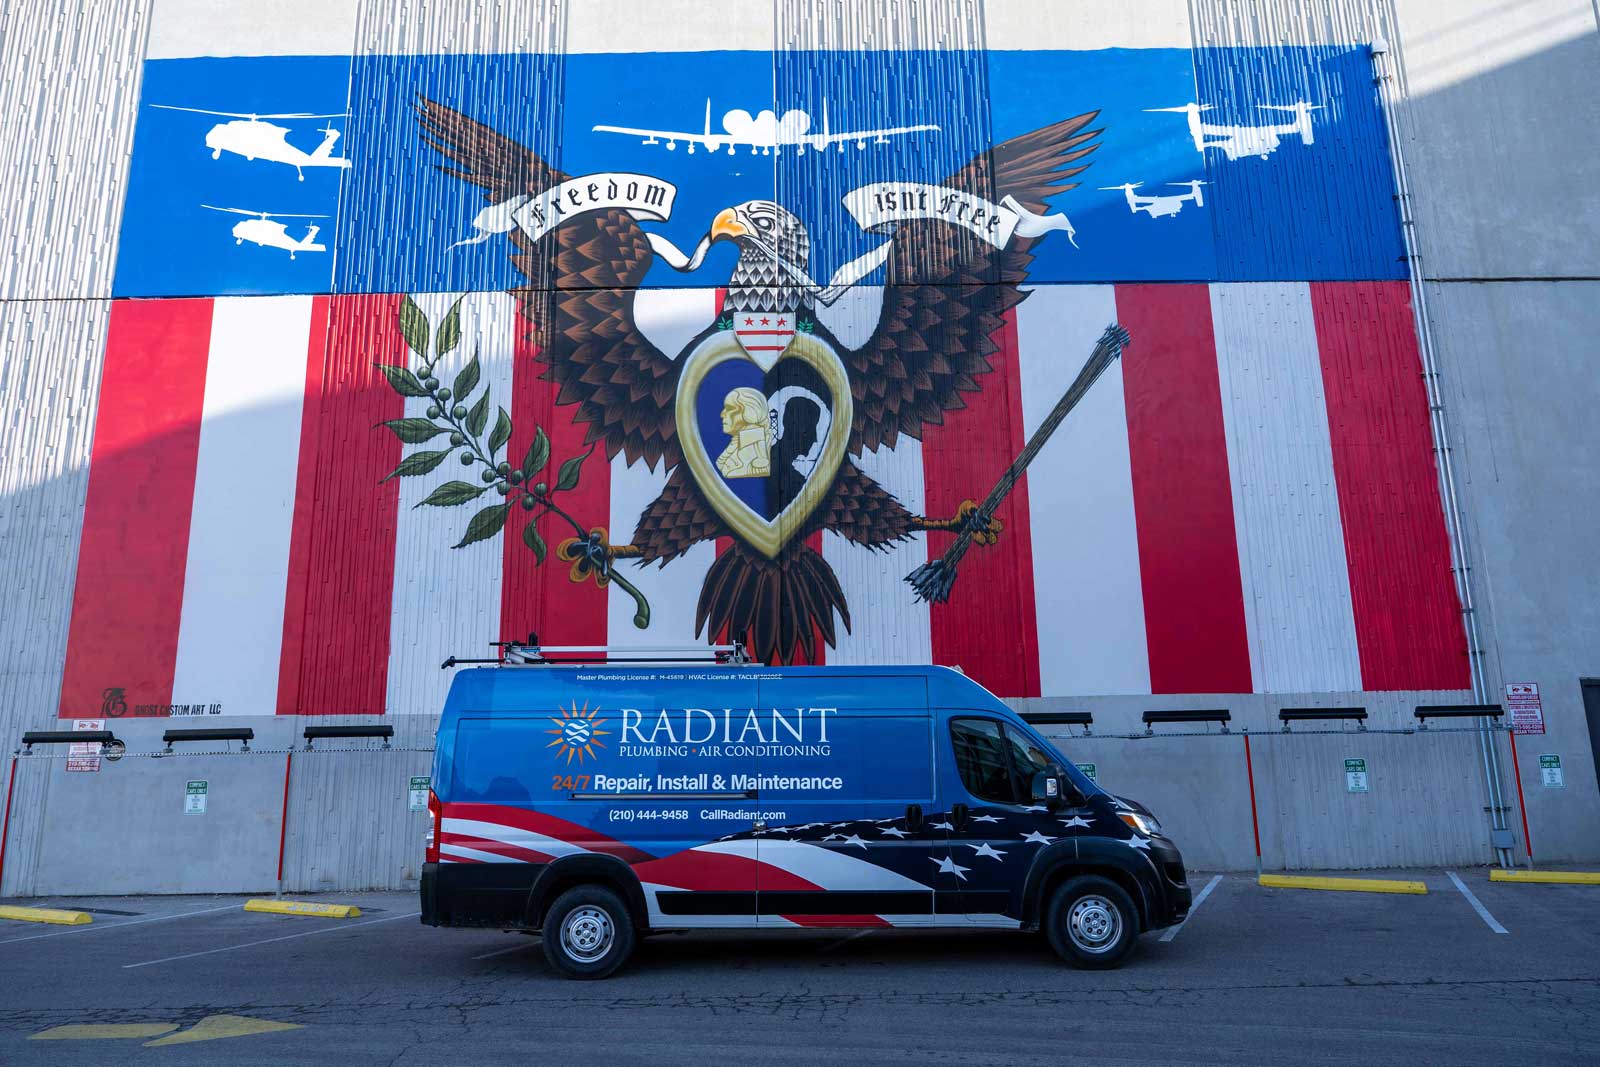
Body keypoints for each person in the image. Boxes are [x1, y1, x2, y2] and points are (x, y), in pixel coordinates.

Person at [771, 395, 821, 510]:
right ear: (789, 425)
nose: (815, 438)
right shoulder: (796, 484)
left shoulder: (798, 481)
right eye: (810, 428)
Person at [716, 387, 771, 479]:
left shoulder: (757, 448)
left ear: (749, 412)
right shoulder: (736, 443)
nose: (722, 414)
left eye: (730, 408)